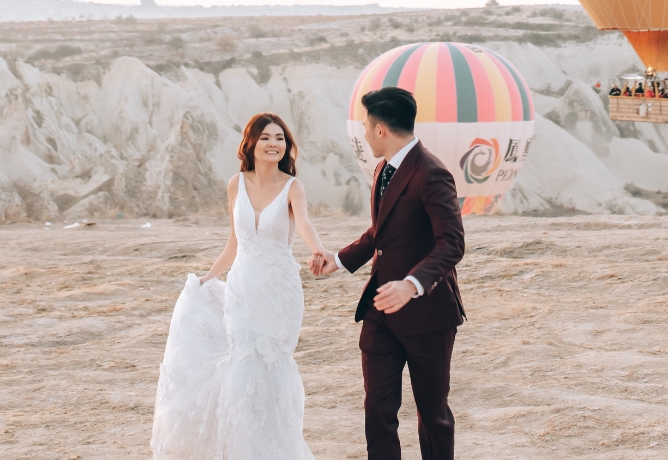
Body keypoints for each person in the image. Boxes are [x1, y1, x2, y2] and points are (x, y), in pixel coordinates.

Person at [150, 113, 326, 460]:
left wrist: (318, 248)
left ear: (287, 146)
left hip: (279, 290)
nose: (273, 143)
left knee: (272, 364)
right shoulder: (236, 184)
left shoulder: (293, 186)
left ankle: (276, 447)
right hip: (243, 288)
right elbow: (235, 242)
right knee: (243, 365)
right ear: (251, 143)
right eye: (265, 138)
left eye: (280, 138)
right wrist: (207, 278)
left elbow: (303, 223)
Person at [312, 86, 466, 460]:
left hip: (428, 315)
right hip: (380, 311)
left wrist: (412, 285)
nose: (364, 134)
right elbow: (380, 233)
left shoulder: (432, 173)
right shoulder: (384, 168)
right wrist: (340, 259)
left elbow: (452, 243)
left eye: (366, 126)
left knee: (432, 415)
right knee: (377, 411)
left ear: (380, 129)